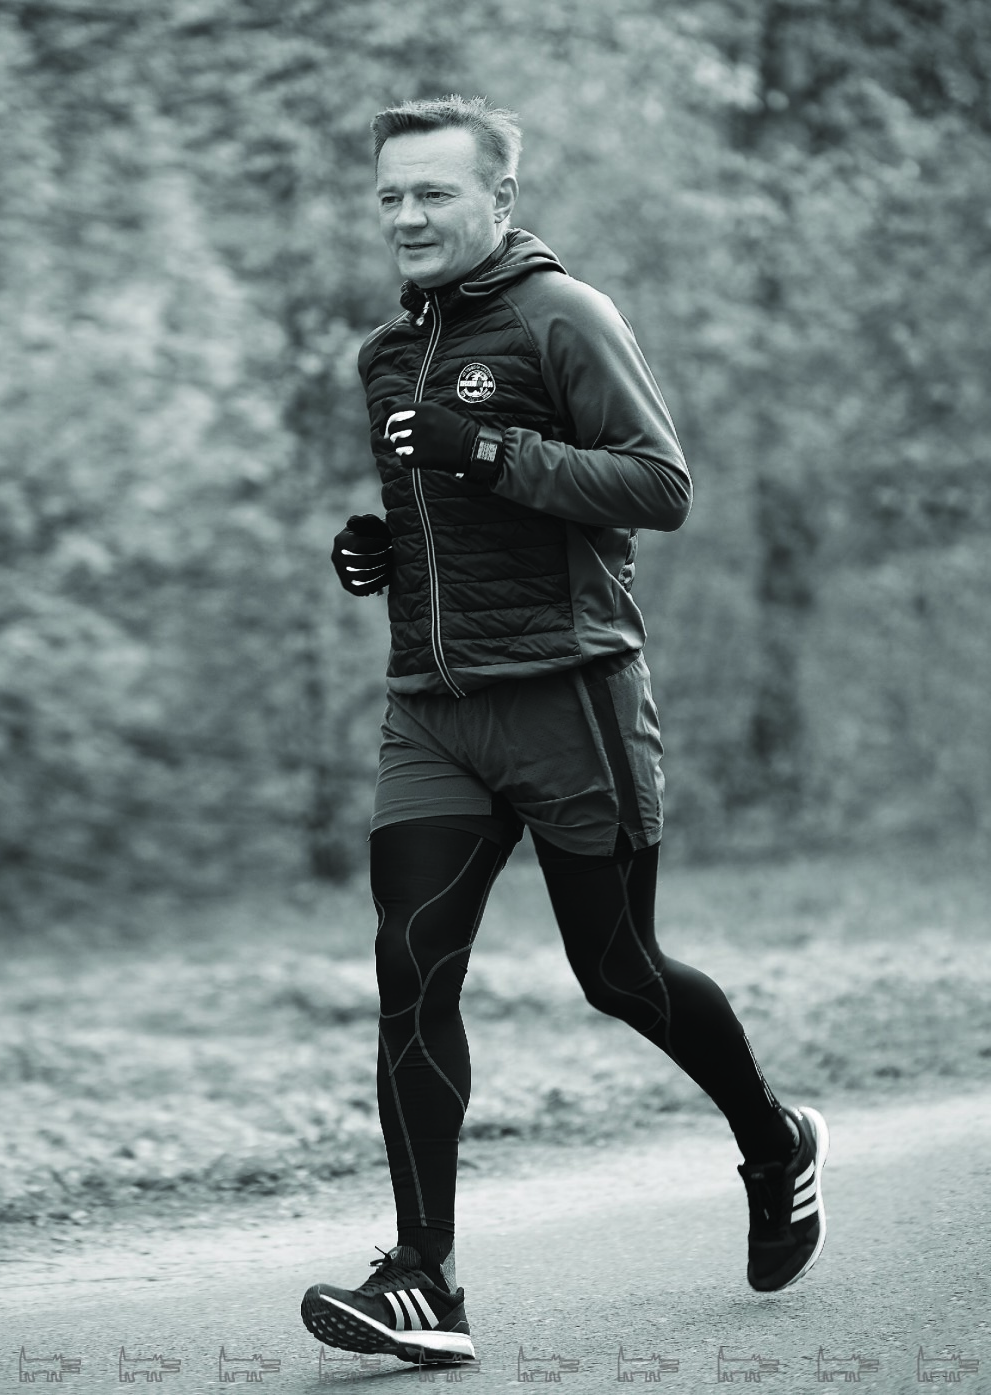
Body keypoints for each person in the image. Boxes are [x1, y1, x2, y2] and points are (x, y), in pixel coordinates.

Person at [301, 94, 828, 1366]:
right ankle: (425, 1278)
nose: (407, 215)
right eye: (390, 195)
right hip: (433, 710)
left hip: (569, 699)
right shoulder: (387, 354)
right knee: (410, 971)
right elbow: (453, 525)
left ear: (499, 199)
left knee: (620, 974)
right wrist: (385, 551)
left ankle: (775, 1140)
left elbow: (659, 486)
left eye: (433, 191)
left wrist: (488, 451)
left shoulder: (563, 316)